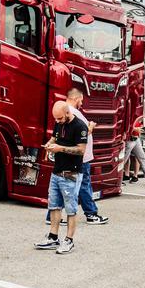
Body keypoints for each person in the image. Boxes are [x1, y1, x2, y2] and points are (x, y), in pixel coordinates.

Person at [46, 89, 107, 225]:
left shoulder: (67, 114)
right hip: (78, 160)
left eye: (59, 119)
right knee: (82, 186)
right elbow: (80, 136)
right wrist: (91, 126)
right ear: (76, 98)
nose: (81, 103)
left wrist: (52, 144)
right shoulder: (72, 115)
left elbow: (57, 137)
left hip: (69, 160)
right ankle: (91, 214)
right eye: (81, 100)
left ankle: (52, 216)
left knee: (61, 189)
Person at [35, 101, 88, 254]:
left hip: (71, 174)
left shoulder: (80, 126)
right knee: (54, 206)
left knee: (71, 209)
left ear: (67, 113)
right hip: (56, 172)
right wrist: (49, 144)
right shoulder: (59, 123)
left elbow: (81, 150)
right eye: (55, 119)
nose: (57, 121)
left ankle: (69, 240)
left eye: (60, 118)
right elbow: (54, 138)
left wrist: (60, 149)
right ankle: (53, 237)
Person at [124, 118, 145, 183]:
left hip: (136, 139)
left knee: (142, 157)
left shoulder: (139, 116)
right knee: (123, 159)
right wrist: (135, 129)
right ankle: (115, 177)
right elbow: (125, 127)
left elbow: (143, 125)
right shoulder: (131, 115)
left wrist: (143, 124)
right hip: (129, 139)